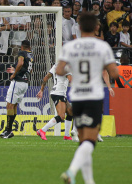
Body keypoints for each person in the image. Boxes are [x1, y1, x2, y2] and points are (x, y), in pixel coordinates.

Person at [57, 12, 119, 184]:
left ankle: (89, 181)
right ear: (97, 27)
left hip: (76, 97)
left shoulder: (70, 46)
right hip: (93, 97)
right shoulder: (102, 47)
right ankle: (71, 171)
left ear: (79, 27)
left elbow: (59, 70)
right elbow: (114, 72)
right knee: (90, 142)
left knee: (84, 142)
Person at [0, 40, 34, 139]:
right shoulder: (31, 55)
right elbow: (30, 70)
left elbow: (20, 63)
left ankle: (8, 130)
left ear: (22, 47)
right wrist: (16, 70)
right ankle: (8, 130)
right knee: (14, 105)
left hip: (17, 82)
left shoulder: (22, 53)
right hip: (25, 83)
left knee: (9, 105)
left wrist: (14, 74)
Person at [36, 64, 73, 141]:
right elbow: (71, 80)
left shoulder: (56, 65)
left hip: (58, 93)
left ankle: (66, 135)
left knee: (70, 112)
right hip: (58, 93)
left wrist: (41, 90)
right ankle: (42, 130)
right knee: (61, 116)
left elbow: (46, 78)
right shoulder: (67, 67)